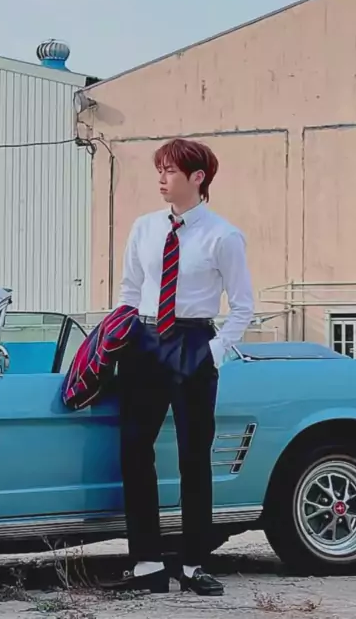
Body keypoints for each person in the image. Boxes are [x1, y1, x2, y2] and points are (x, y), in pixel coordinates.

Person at [105, 137, 254, 597]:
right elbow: (130, 289)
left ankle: (193, 564)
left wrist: (213, 351)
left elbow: (243, 306)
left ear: (197, 178)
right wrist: (121, 335)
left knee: (194, 456)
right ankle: (148, 565)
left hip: (193, 341)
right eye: (160, 170)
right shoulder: (145, 227)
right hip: (144, 342)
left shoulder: (223, 236)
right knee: (134, 450)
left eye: (170, 170)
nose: (162, 179)